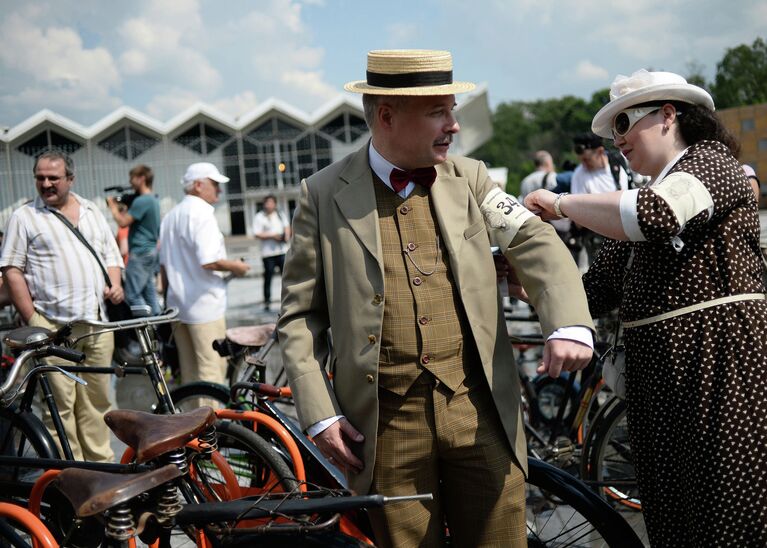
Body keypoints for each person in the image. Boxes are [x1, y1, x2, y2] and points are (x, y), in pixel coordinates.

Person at [278, 49, 595, 547]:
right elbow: (299, 318)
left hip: (480, 412)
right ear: (387, 115)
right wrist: (320, 412)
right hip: (384, 429)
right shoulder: (321, 195)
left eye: (453, 110)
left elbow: (532, 239)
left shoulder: (471, 178)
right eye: (438, 112)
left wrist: (569, 322)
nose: (453, 126)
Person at [525, 69, 767, 546]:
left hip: (718, 370)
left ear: (668, 115)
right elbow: (591, 289)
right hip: (663, 386)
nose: (617, 141)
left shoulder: (711, 164)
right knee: (673, 520)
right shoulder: (652, 194)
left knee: (729, 517)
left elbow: (655, 214)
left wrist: (559, 202)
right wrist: (519, 278)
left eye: (623, 124)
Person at [0, 150, 124, 462]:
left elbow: (111, 255)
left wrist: (115, 283)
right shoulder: (24, 217)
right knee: (60, 406)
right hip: (52, 326)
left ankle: (101, 467)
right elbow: (11, 269)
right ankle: (72, 473)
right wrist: (32, 318)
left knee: (97, 401)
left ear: (70, 178)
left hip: (96, 325)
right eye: (40, 178)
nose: (46, 183)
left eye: (53, 178)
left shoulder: (92, 210)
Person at [159, 162, 250, 395]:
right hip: (204, 306)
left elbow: (164, 265)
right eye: (215, 184)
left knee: (189, 374)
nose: (219, 190)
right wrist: (237, 267)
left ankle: (192, 429)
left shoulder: (171, 215)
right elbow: (209, 260)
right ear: (199, 185)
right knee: (211, 373)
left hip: (178, 306)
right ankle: (212, 430)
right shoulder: (201, 213)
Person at [107, 164, 161, 315]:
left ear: (141, 178)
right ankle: (157, 325)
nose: (130, 182)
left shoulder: (142, 201)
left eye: (132, 178)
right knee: (148, 292)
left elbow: (123, 222)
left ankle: (146, 328)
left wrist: (113, 207)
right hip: (150, 251)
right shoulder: (153, 199)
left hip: (140, 252)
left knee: (132, 295)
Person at [569, 132, 631, 266]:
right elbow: (577, 215)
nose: (584, 164)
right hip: (596, 237)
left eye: (587, 159)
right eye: (581, 160)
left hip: (624, 231)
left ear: (600, 151)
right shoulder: (579, 174)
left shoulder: (619, 162)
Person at [252, 194, 291, 311]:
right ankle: (267, 301)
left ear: (275, 204)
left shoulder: (280, 214)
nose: (269, 205)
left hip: (282, 251)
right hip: (268, 253)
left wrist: (286, 237)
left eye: (271, 202)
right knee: (268, 277)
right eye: (267, 203)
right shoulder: (259, 217)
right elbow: (256, 233)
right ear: (264, 204)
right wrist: (272, 236)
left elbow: (287, 227)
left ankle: (288, 299)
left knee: (286, 276)